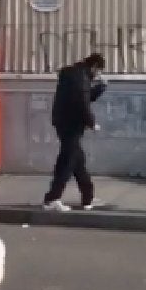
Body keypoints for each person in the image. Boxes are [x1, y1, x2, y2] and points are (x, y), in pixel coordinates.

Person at [43, 53, 107, 212]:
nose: (98, 75)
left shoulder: (76, 75)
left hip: (65, 122)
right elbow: (82, 102)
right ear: (94, 67)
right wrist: (92, 123)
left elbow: (84, 96)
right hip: (70, 124)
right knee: (67, 162)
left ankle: (88, 197)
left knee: (77, 161)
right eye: (98, 71)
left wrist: (100, 88)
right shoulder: (81, 78)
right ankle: (52, 199)